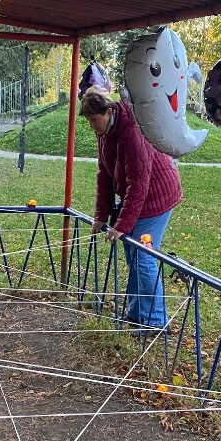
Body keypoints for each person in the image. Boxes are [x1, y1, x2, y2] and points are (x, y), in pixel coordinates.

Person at [79, 87, 183, 331]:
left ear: (108, 111)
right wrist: (101, 215)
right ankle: (137, 314)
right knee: (134, 257)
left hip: (157, 195)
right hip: (137, 197)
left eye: (95, 120)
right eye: (89, 121)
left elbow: (139, 183)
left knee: (143, 257)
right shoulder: (105, 131)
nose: (93, 126)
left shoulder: (132, 131)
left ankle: (155, 321)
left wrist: (122, 226)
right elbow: (104, 173)